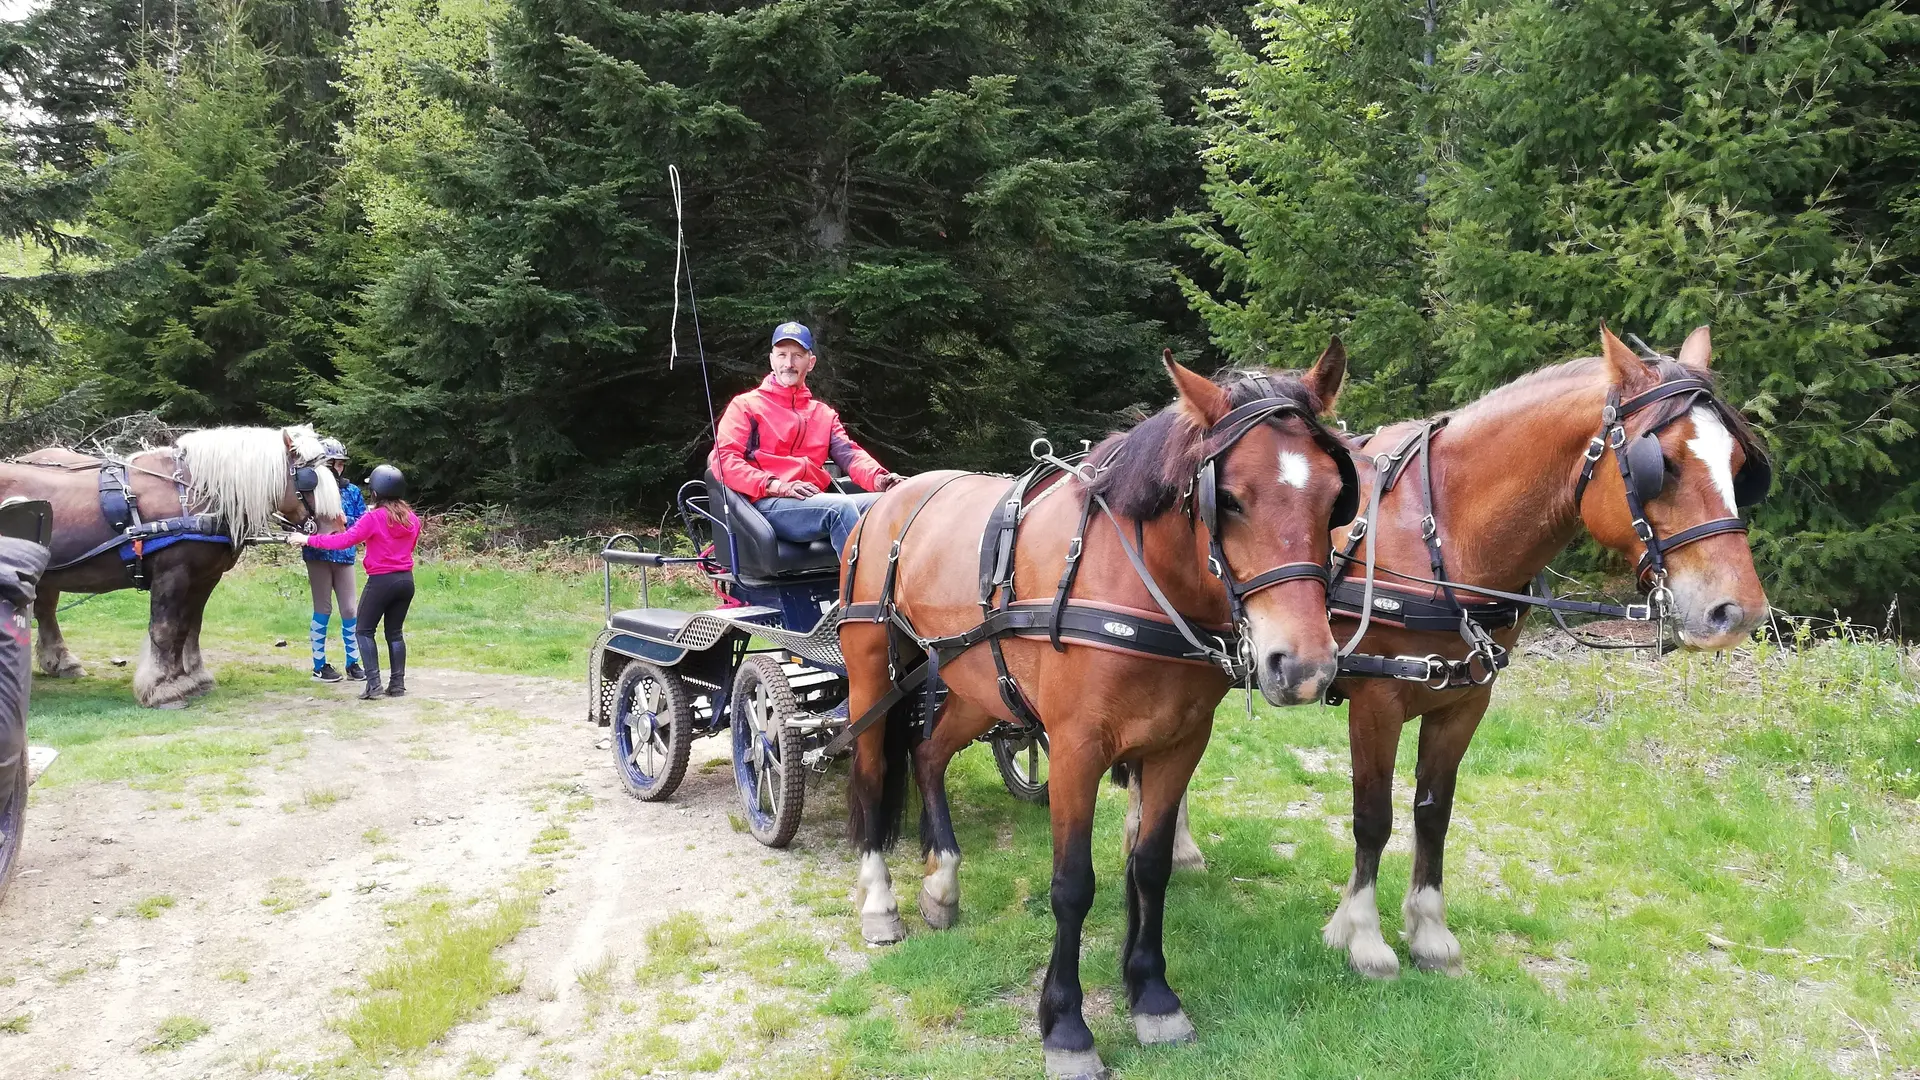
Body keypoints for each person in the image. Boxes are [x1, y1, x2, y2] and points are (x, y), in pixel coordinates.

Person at [711, 321, 904, 554]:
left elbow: (850, 456)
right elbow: (724, 462)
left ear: (810, 362)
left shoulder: (822, 414)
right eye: (782, 355)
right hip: (765, 504)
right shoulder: (746, 406)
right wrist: (776, 485)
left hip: (813, 501)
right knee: (839, 509)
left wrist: (881, 480)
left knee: (894, 503)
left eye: (797, 356)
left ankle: (904, 586)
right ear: (772, 359)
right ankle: (866, 590)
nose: (788, 364)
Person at [290, 465, 419, 700]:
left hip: (381, 581)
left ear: (376, 493)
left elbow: (345, 541)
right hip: (406, 581)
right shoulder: (412, 518)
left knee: (364, 631)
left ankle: (373, 685)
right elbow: (406, 545)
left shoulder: (374, 517)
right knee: (395, 633)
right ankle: (397, 685)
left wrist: (308, 539)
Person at [305, 439, 366, 682]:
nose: (337, 469)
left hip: (345, 555)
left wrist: (343, 520)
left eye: (340, 465)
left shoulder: (352, 491)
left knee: (350, 608)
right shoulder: (310, 494)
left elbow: (362, 521)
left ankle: (353, 662)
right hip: (318, 555)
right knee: (323, 608)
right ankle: (319, 665)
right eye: (333, 464)